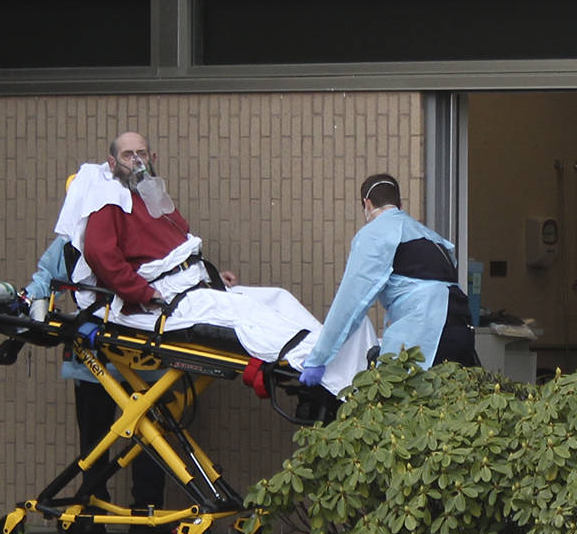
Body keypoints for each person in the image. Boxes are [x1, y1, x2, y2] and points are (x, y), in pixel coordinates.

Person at [56, 131, 375, 397]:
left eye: (143, 153)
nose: (138, 161)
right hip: (159, 303)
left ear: (154, 158)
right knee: (249, 316)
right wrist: (144, 294)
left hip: (188, 287)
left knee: (276, 297)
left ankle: (329, 350)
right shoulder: (109, 200)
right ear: (112, 163)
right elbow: (102, 258)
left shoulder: (149, 197)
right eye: (128, 155)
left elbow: (173, 252)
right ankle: (324, 365)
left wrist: (207, 276)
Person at [22, 235, 166, 534]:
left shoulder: (140, 234)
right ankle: (96, 506)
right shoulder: (70, 245)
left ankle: (143, 509)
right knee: (98, 438)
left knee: (145, 438)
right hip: (99, 358)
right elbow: (45, 279)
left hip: (138, 355)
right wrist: (27, 302)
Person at [297, 174, 477, 387]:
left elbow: (350, 304)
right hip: (461, 326)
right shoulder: (433, 238)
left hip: (427, 333)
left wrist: (319, 358)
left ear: (367, 203)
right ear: (399, 204)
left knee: (399, 409)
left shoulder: (374, 234)